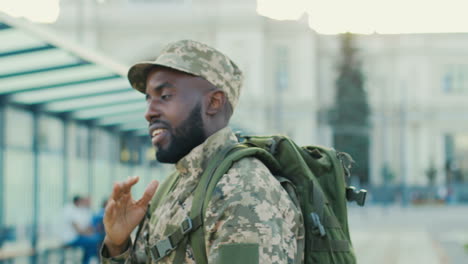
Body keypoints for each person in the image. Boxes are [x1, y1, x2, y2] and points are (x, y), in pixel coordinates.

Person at [101, 40, 304, 264]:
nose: (148, 113)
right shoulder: (175, 186)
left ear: (214, 103)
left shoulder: (242, 189)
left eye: (165, 96)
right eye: (148, 99)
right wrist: (117, 244)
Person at [62, 195, 102, 264]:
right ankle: (90, 261)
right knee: (94, 241)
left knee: (95, 241)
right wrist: (89, 234)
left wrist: (89, 232)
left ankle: (89, 261)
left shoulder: (78, 211)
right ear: (77, 202)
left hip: (76, 237)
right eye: (82, 201)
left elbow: (87, 227)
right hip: (71, 239)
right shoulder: (70, 211)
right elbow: (79, 231)